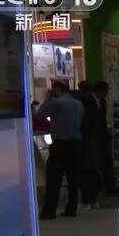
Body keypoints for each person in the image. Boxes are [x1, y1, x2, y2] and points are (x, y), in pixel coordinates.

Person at [36, 80, 84, 220]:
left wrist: (47, 99)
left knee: (54, 178)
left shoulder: (56, 102)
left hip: (60, 144)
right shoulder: (78, 104)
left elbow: (40, 115)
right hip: (76, 144)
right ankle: (71, 208)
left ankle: (49, 211)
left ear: (56, 90)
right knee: (73, 178)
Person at [75, 81, 103, 209]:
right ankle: (89, 199)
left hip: (90, 139)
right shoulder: (85, 101)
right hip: (87, 139)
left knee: (89, 171)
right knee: (88, 171)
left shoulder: (91, 101)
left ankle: (90, 199)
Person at [93, 81, 119, 194]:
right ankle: (100, 186)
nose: (107, 93)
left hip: (102, 135)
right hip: (93, 137)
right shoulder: (88, 101)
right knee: (97, 162)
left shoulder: (103, 102)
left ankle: (109, 185)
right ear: (102, 90)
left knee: (106, 161)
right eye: (106, 90)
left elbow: (102, 119)